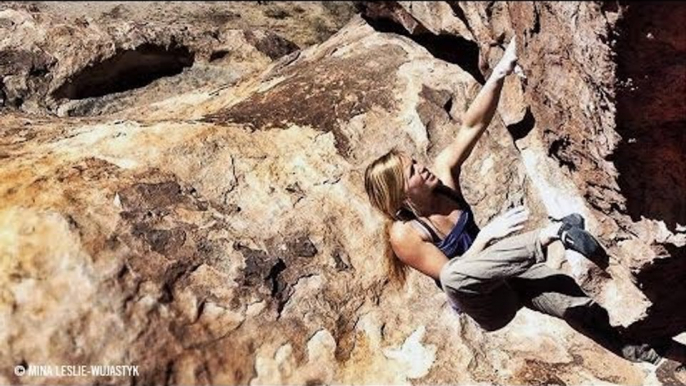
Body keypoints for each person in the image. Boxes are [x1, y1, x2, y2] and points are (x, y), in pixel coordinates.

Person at [363, 37, 666, 364]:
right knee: (453, 277)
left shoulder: (443, 177)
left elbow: (472, 125)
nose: (422, 167)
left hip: (511, 272)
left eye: (416, 162)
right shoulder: (405, 234)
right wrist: (486, 237)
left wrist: (499, 73)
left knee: (577, 308)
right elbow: (457, 276)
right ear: (401, 193)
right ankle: (551, 235)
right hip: (489, 304)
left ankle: (650, 352)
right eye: (412, 171)